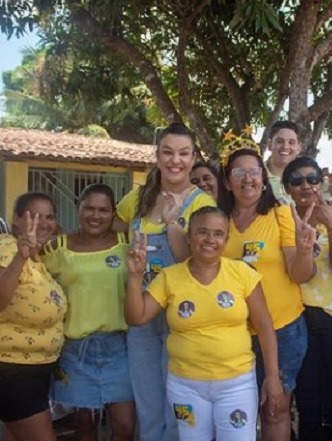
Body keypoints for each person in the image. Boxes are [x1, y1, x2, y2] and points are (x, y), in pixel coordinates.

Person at [124, 206, 281, 441]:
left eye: (218, 234)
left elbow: (265, 326)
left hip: (236, 383)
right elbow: (136, 317)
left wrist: (273, 378)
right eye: (202, 232)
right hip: (185, 386)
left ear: (226, 240)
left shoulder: (241, 273)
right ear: (189, 237)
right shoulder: (170, 277)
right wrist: (135, 277)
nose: (210, 239)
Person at [114, 122, 216, 441]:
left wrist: (174, 227)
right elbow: (111, 228)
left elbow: (200, 264)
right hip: (141, 314)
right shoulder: (140, 197)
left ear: (193, 157)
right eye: (168, 152)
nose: (176, 161)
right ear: (157, 156)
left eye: (184, 154)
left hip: (180, 316)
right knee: (147, 403)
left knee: (178, 406)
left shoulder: (202, 204)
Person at [218, 138, 316, 441]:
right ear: (227, 182)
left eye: (254, 172)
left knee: (275, 408)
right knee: (238, 411)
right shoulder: (218, 222)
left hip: (282, 330)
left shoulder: (280, 214)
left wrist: (303, 250)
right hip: (234, 333)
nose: (248, 179)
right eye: (238, 173)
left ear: (263, 179)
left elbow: (300, 275)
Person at [0, 192, 67, 441]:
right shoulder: (7, 250)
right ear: (15, 220)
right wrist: (20, 257)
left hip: (28, 370)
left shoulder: (37, 256)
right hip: (9, 371)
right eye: (34, 216)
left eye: (49, 217)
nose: (44, 223)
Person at [43, 184, 135, 441]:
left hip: (119, 348)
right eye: (89, 208)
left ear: (113, 213)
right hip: (75, 351)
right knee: (84, 426)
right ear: (78, 209)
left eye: (103, 210)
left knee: (125, 426)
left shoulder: (126, 244)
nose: (95, 215)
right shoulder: (56, 248)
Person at [282, 157, 332, 441]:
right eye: (297, 180)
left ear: (322, 182)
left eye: (312, 179)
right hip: (301, 318)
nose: (305, 185)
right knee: (308, 401)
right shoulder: (282, 217)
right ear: (287, 187)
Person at [264, 121, 303, 203]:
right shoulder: (256, 176)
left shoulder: (305, 180)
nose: (285, 146)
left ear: (299, 148)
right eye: (279, 141)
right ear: (269, 145)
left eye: (291, 142)